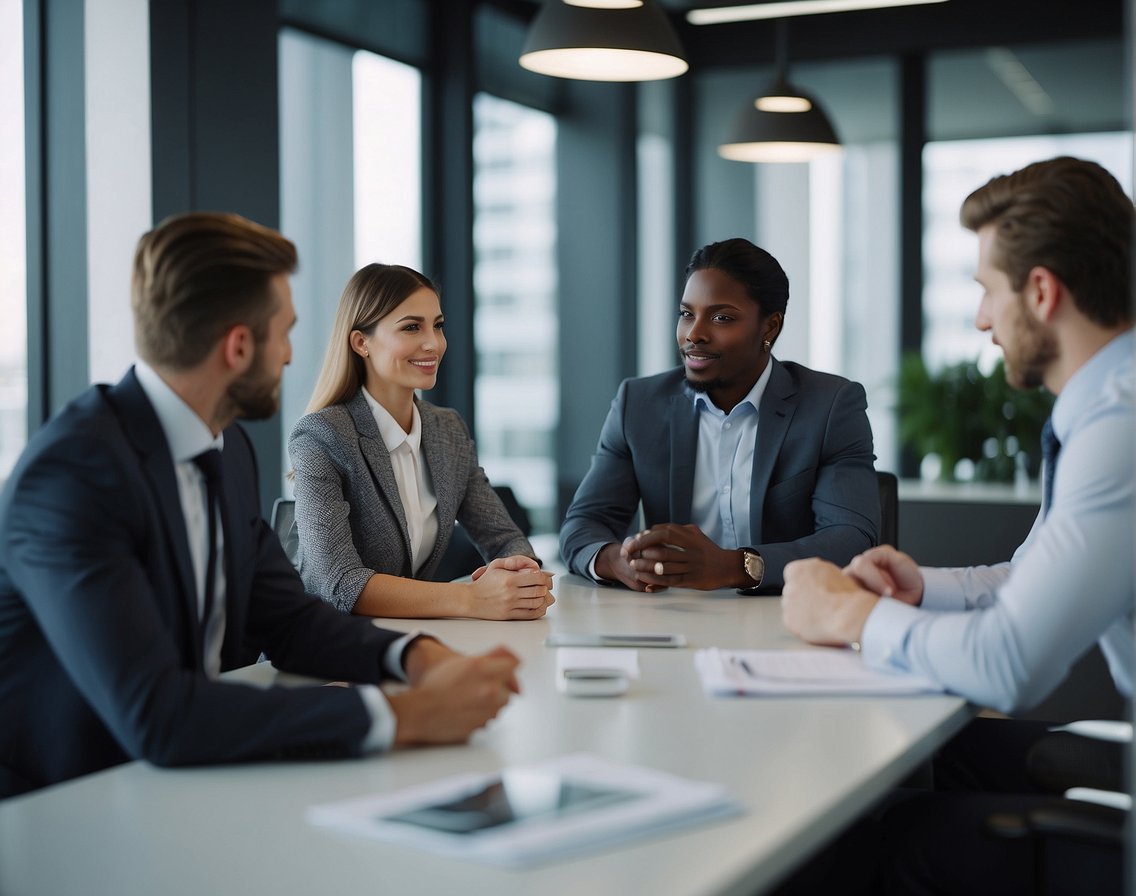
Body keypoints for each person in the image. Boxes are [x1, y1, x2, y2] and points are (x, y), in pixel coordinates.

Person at [0, 212, 522, 800]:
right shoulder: (72, 477)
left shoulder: (226, 449)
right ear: (239, 346)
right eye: (285, 332)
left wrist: (417, 657)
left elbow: (290, 619)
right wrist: (405, 717)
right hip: (64, 804)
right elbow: (160, 715)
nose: (292, 356)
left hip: (179, 778)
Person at [781, 156, 1133, 894]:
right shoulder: (1107, 407)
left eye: (986, 292)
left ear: (1041, 292)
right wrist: (920, 589)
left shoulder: (1120, 428)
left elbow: (1009, 667)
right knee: (948, 754)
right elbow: (1031, 575)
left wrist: (854, 615)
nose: (981, 320)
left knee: (872, 845)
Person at [559, 238, 880, 594]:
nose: (694, 334)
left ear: (770, 327)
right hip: (674, 620)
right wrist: (615, 561)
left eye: (722, 318)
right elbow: (583, 525)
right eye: (686, 314)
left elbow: (851, 540)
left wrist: (732, 566)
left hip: (787, 620)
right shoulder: (639, 404)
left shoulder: (830, 406)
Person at [288, 263, 554, 620]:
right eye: (412, 327)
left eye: (438, 325)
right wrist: (472, 599)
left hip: (406, 642)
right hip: (324, 654)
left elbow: (503, 537)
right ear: (361, 342)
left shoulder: (447, 430)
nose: (434, 343)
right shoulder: (322, 435)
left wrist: (523, 578)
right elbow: (341, 583)